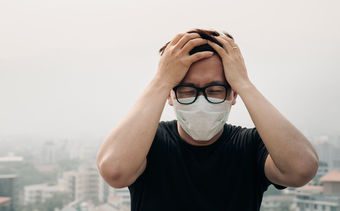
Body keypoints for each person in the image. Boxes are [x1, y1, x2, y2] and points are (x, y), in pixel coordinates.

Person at [96, 29, 319, 211]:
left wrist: (243, 82)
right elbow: (115, 171)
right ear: (170, 96)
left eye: (214, 90)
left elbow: (301, 169)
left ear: (233, 95)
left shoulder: (250, 146)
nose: (200, 101)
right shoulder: (147, 143)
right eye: (186, 90)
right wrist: (161, 80)